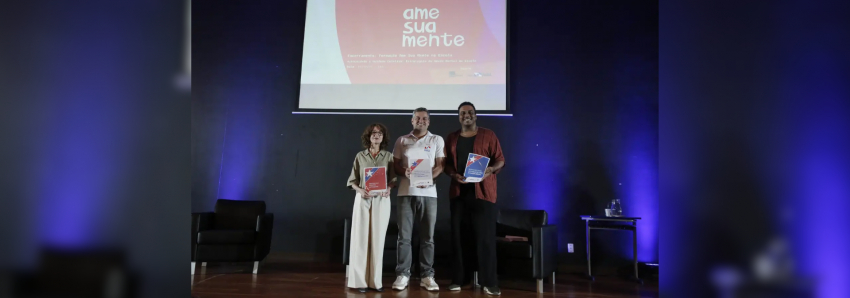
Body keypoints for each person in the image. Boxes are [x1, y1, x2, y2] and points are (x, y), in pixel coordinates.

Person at [443, 102, 505, 296]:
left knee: (485, 239)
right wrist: (453, 175)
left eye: (470, 112)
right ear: (459, 116)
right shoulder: (452, 138)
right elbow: (445, 164)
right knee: (459, 238)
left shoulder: (488, 135)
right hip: (459, 194)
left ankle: (489, 282)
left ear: (476, 116)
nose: (466, 116)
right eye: (463, 113)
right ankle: (460, 279)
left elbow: (500, 159)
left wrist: (491, 170)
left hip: (483, 193)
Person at [391, 107, 444, 291]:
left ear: (428, 121)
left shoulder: (436, 139)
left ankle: (427, 275)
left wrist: (429, 178)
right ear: (412, 121)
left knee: (427, 237)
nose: (421, 121)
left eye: (425, 118)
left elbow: (440, 165)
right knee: (404, 237)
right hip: (406, 193)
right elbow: (395, 165)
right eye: (418, 118)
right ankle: (403, 274)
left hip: (429, 194)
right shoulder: (402, 140)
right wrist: (404, 171)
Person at [346, 123, 396, 293]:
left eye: (380, 133)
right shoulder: (360, 156)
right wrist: (360, 190)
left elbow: (393, 180)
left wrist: (388, 189)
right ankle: (359, 282)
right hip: (363, 198)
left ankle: (375, 281)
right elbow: (352, 181)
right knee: (360, 239)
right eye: (373, 133)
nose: (376, 135)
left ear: (383, 137)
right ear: (368, 136)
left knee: (377, 239)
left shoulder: (388, 156)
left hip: (381, 200)